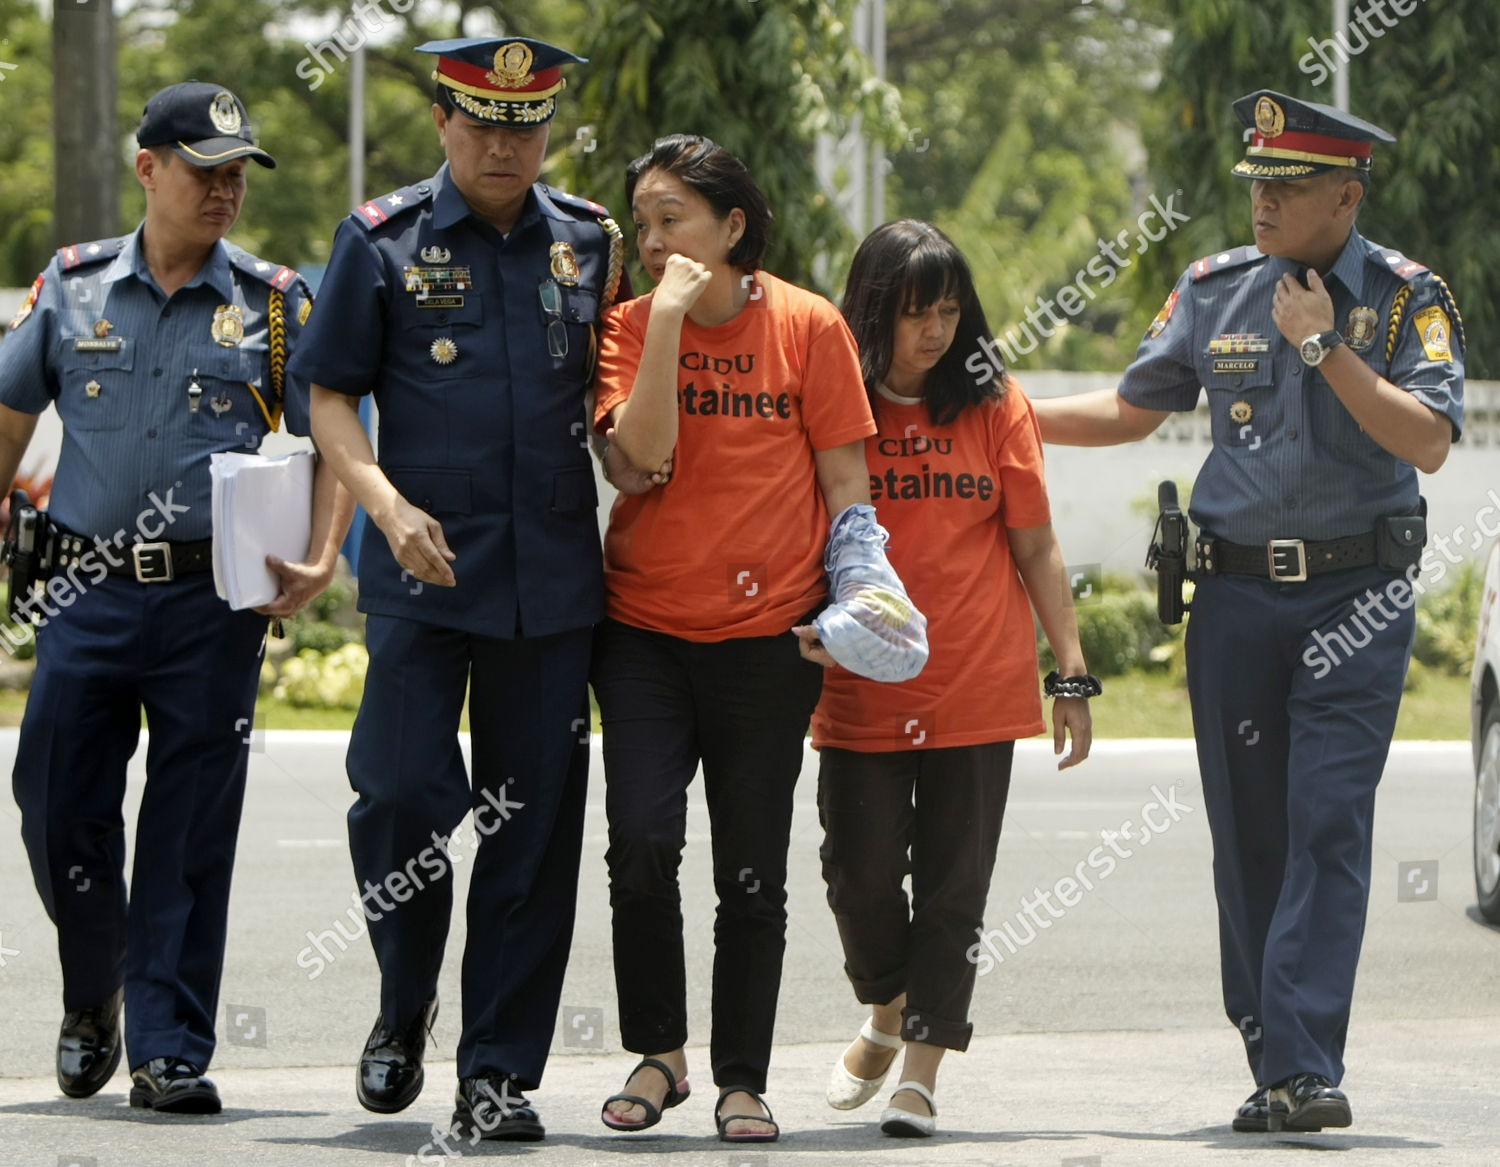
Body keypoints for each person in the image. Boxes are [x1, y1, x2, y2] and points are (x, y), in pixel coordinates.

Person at [1031, 90, 1464, 1133]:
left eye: (1291, 185)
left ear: (1347, 196)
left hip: (1355, 597)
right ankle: (1275, 1062)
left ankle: (1309, 1064)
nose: (1264, 203)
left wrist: (1325, 348)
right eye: (1258, 184)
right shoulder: (1215, 288)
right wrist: (997, 413)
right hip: (1232, 600)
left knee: (1326, 821)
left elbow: (1429, 440)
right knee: (1249, 836)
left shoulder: (1408, 298)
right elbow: (1134, 408)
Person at [296, 36, 635, 1143]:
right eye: (483, 124)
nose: (505, 145)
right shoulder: (379, 240)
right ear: (444, 123)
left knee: (529, 834)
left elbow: (609, 403)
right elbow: (331, 399)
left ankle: (496, 1071)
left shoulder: (588, 242)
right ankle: (404, 1003)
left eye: (526, 125)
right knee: (396, 797)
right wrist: (384, 507)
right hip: (420, 572)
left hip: (549, 584)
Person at [0, 81, 349, 1113]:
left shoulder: (276, 303)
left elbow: (334, 431)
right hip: (81, 586)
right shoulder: (68, 290)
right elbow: (12, 415)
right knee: (54, 801)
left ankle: (168, 1046)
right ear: (147, 167)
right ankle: (92, 988)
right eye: (205, 169)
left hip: (212, 601)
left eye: (237, 172)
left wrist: (326, 552)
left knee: (192, 823)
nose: (225, 190)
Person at [593, 134, 910, 1144]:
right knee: (641, 846)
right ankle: (660, 1054)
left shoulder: (811, 329)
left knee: (751, 869)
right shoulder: (631, 327)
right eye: (641, 221)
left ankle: (739, 1076)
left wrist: (849, 601)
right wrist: (670, 328)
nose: (651, 240)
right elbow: (637, 461)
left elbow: (847, 486)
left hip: (769, 643)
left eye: (672, 217)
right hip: (641, 632)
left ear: (733, 226)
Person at [807, 219, 1094, 1139]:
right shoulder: (831, 395)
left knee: (954, 888)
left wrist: (1073, 672)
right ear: (873, 309)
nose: (933, 330)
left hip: (976, 683)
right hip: (859, 689)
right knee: (856, 878)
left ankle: (921, 1072)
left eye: (948, 310)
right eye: (912, 312)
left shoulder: (993, 403)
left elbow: (1037, 545)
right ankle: (887, 1007)